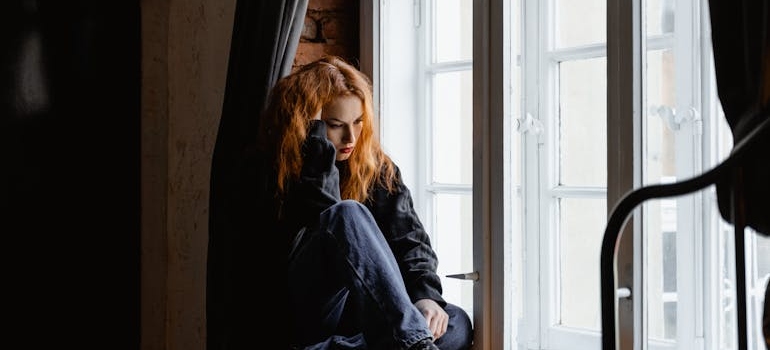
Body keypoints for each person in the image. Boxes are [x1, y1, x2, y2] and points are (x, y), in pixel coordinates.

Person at [255, 55, 473, 350]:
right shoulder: (275, 171)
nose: (351, 137)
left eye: (358, 122)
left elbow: (410, 240)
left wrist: (426, 297)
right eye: (334, 125)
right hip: (311, 315)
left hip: (367, 321)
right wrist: (318, 151)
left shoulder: (375, 167)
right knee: (345, 213)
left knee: (454, 321)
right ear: (306, 125)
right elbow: (325, 229)